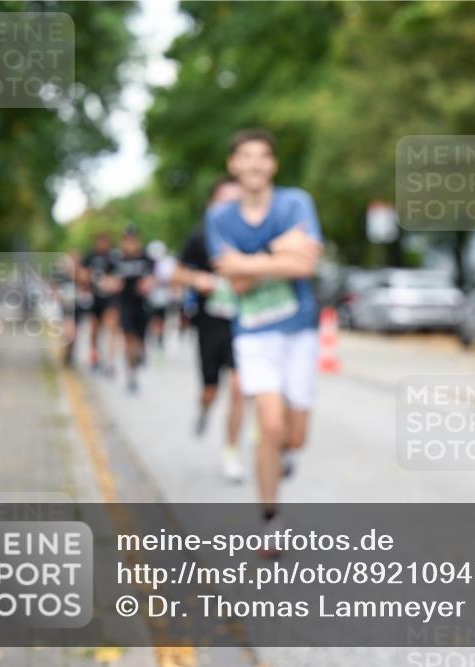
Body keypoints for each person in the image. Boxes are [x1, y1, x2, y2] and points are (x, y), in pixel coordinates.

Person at [206, 129, 323, 542]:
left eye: (262, 156)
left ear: (272, 164)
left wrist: (248, 261)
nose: (254, 164)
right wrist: (280, 252)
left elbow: (304, 266)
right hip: (254, 334)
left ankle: (283, 455)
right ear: (233, 164)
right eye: (245, 156)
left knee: (295, 436)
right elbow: (233, 284)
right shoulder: (219, 217)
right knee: (269, 426)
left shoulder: (295, 203)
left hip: (301, 330)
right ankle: (271, 520)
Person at [176, 175, 246, 483]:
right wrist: (197, 281)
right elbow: (175, 272)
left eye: (237, 200)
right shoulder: (200, 237)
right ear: (212, 205)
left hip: (244, 323)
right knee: (210, 390)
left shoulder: (252, 235)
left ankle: (230, 453)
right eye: (225, 200)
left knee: (240, 388)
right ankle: (204, 410)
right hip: (209, 324)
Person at [113, 226, 154, 393]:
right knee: (129, 341)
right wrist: (114, 283)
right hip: (125, 305)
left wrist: (148, 284)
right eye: (126, 239)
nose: (130, 243)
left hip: (142, 306)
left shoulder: (145, 257)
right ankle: (132, 375)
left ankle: (140, 354)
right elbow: (109, 279)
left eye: (133, 239)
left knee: (140, 341)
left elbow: (154, 276)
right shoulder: (118, 259)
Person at [82, 232, 120, 373]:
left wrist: (110, 282)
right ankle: (95, 357)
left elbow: (118, 279)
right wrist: (92, 278)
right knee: (94, 330)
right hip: (94, 299)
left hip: (110, 300)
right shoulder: (90, 256)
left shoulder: (113, 257)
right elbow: (82, 274)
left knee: (111, 329)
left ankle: (110, 362)